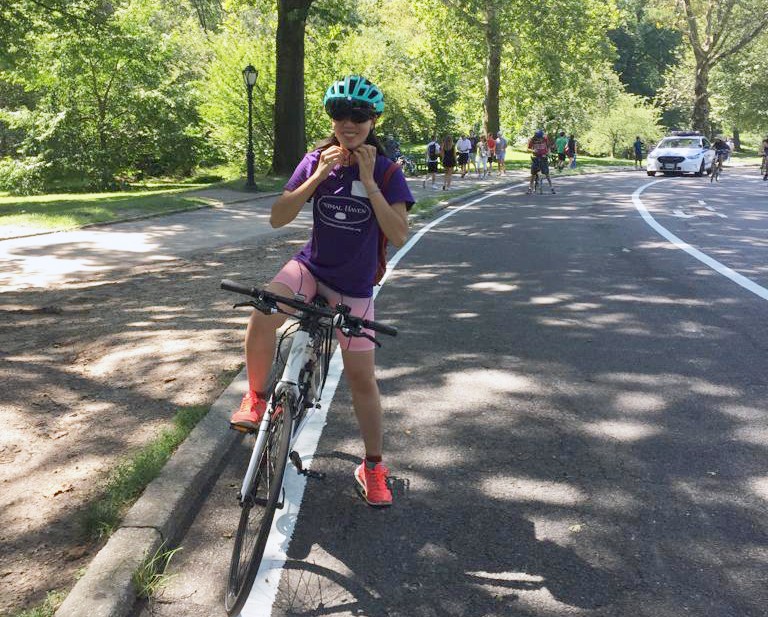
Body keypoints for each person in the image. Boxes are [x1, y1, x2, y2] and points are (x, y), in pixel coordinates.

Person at [229, 75, 414, 508]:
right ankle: (256, 399)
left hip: (354, 285)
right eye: (339, 114)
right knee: (264, 308)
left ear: (372, 120)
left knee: (361, 379)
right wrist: (319, 175)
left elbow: (400, 234)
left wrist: (368, 181)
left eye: (358, 115)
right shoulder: (315, 159)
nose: (347, 123)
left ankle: (372, 466)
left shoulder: (387, 172)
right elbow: (278, 217)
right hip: (311, 267)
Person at [527, 129, 555, 194]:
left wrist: (548, 153)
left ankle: (552, 187)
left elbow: (548, 147)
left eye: (540, 137)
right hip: (535, 157)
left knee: (547, 173)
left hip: (543, 157)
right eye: (538, 137)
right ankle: (530, 188)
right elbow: (528, 149)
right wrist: (533, 151)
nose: (539, 138)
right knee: (533, 174)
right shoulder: (532, 139)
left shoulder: (545, 139)